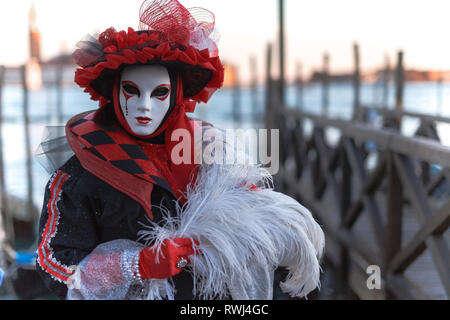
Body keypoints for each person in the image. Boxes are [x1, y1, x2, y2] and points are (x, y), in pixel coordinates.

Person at [36, 0, 325, 300]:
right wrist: (136, 265)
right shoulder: (81, 174)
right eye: (131, 91)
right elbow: (54, 266)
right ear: (114, 91)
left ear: (176, 96)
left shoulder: (215, 157)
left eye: (159, 93)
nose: (144, 105)